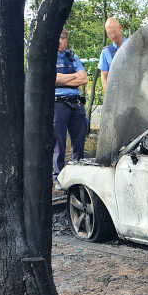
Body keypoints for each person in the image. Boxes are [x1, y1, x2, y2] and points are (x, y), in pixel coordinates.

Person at [53, 29, 88, 185]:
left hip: (76, 103)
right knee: (58, 143)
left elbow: (84, 78)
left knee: (79, 142)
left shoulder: (73, 56)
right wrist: (74, 76)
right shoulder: (48, 57)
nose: (60, 41)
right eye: (58, 38)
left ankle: (78, 174)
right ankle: (58, 177)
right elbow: (52, 79)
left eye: (63, 38)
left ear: (66, 39)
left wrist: (63, 79)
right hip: (58, 104)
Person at [99, 17, 126, 91]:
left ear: (120, 28)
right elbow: (104, 77)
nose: (112, 36)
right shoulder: (106, 52)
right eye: (109, 33)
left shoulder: (133, 46)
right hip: (116, 95)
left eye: (114, 31)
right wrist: (108, 96)